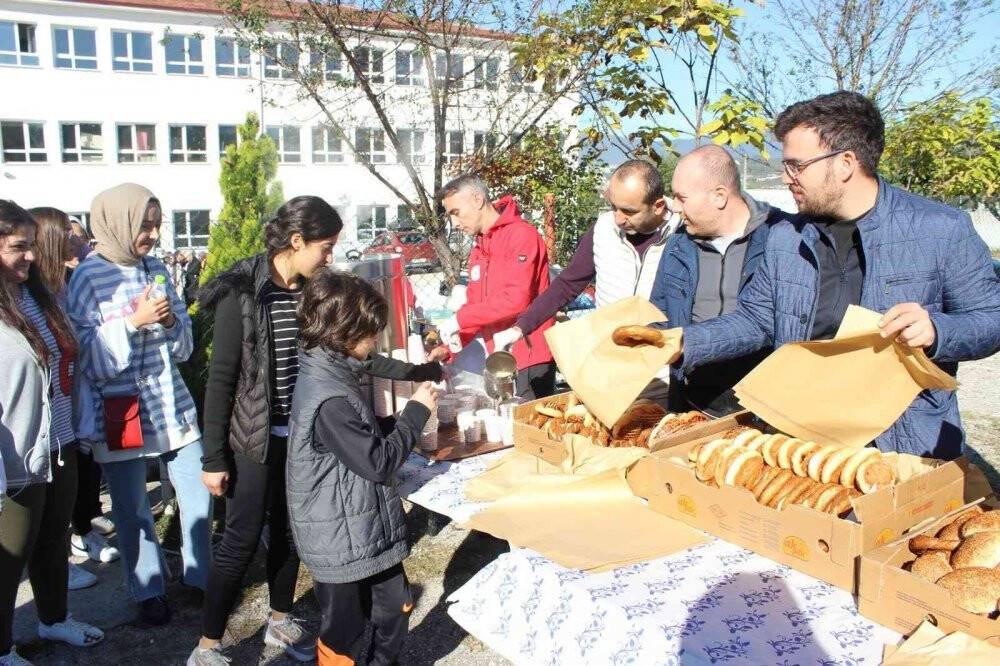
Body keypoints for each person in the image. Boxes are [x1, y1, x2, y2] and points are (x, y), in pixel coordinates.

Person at [633, 91, 1000, 459]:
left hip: (904, 446)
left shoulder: (941, 229)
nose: (786, 177)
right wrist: (684, 342)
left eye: (797, 165)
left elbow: (991, 318)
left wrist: (936, 330)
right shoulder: (784, 237)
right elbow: (755, 320)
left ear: (845, 163)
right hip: (804, 443)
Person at [187, 197, 344, 665]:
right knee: (240, 539)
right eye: (325, 246)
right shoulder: (242, 291)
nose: (330, 256)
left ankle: (280, 620)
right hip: (252, 440)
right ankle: (207, 646)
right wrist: (213, 458)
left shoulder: (313, 290)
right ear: (296, 242)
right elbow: (221, 379)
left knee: (290, 532)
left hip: (301, 438)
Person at [67, 183, 212, 626]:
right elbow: (87, 357)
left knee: (198, 493)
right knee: (132, 509)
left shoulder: (156, 267)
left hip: (170, 402)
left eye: (156, 225)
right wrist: (132, 322)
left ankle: (200, 576)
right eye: (142, 225)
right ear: (117, 222)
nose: (151, 234)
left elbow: (184, 346)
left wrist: (169, 322)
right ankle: (148, 589)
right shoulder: (87, 277)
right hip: (120, 411)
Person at [287, 270, 441, 666]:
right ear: (343, 333)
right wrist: (415, 414)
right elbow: (377, 461)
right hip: (339, 539)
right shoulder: (328, 397)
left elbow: (359, 438)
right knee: (345, 631)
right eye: (371, 333)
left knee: (396, 606)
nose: (376, 339)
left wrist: (395, 422)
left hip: (363, 527)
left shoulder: (334, 370)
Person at [1, 200, 104, 666]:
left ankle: (54, 618)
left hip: (59, 442)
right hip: (16, 456)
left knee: (53, 540)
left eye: (31, 245)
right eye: (17, 247)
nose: (30, 255)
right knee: (8, 558)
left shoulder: (37, 296)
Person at [490, 160, 678, 401]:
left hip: (662, 376)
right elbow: (568, 283)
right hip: (609, 371)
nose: (619, 218)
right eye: (613, 207)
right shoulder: (603, 230)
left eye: (629, 211)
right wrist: (520, 327)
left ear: (658, 206)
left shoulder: (682, 235)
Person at [646, 146, 793, 416]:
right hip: (691, 406)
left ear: (720, 196)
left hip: (762, 410)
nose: (674, 207)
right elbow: (660, 315)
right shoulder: (678, 245)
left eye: (682, 198)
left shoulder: (782, 237)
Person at [28, 208, 120, 593]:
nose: (76, 239)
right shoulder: (31, 296)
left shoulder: (63, 285)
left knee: (79, 481)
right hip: (45, 414)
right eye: (67, 232)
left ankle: (79, 536)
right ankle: (59, 561)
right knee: (47, 503)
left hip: (72, 406)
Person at [437, 175, 556, 399]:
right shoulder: (479, 247)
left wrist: (460, 319)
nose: (454, 223)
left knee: (525, 419)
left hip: (529, 356)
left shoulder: (521, 235)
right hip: (499, 357)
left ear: (477, 199)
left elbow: (516, 300)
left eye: (456, 212)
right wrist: (451, 344)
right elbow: (476, 306)